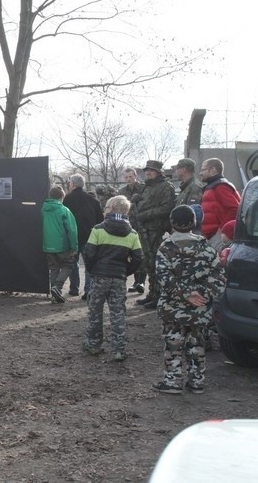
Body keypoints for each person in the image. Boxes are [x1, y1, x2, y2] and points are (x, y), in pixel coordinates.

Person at [151, 205, 226, 395]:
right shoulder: (207, 249)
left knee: (173, 344)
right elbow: (219, 279)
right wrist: (200, 294)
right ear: (194, 222)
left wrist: (186, 294)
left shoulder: (166, 249)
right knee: (197, 344)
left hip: (173, 308)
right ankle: (197, 381)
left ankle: (173, 381)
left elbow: (163, 279)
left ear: (172, 223)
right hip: (200, 309)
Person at [82, 195, 144, 361]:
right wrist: (126, 271)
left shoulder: (98, 230)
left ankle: (94, 344)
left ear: (112, 210)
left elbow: (88, 253)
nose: (104, 210)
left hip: (99, 277)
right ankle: (119, 349)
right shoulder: (132, 234)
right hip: (118, 278)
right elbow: (138, 257)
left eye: (106, 208)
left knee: (95, 311)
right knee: (118, 313)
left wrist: (92, 269)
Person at [133, 160, 176, 309]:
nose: (148, 173)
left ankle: (159, 296)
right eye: (147, 170)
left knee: (155, 263)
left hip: (156, 230)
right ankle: (152, 294)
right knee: (148, 263)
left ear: (158, 172)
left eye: (151, 170)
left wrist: (146, 214)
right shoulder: (147, 186)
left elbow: (167, 208)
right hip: (144, 229)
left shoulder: (166, 187)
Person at [63, 174, 104, 299]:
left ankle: (74, 288)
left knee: (72, 263)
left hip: (73, 236)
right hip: (89, 236)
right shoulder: (93, 200)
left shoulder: (67, 199)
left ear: (73, 184)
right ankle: (89, 290)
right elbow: (100, 220)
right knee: (89, 265)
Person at [42, 185, 78, 304]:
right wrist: (74, 247)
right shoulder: (64, 210)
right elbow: (72, 231)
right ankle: (57, 287)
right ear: (62, 197)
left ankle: (54, 296)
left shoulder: (43, 209)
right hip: (63, 245)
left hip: (48, 245)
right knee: (68, 266)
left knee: (54, 268)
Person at [200, 158, 241, 249]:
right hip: (212, 236)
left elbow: (235, 209)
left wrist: (220, 232)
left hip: (217, 237)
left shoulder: (220, 186)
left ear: (213, 170)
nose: (200, 173)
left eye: (203, 170)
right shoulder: (213, 186)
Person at [119, 167, 147, 293]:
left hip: (142, 225)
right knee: (131, 254)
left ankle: (142, 281)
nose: (128, 179)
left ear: (135, 176)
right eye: (126, 177)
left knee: (142, 252)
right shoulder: (122, 191)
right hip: (128, 225)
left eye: (130, 176)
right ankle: (136, 281)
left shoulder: (143, 189)